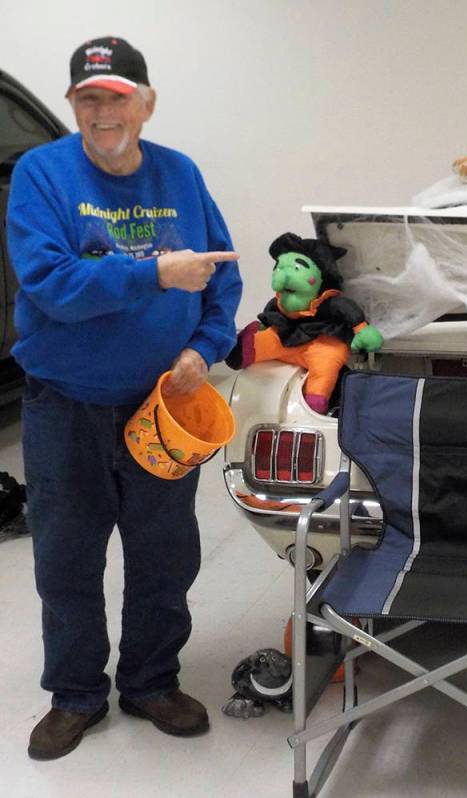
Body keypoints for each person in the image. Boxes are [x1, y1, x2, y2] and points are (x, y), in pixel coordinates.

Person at [7, 36, 243, 760]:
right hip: (65, 407)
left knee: (165, 555)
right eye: (87, 97)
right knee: (67, 559)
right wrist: (154, 276)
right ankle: (76, 693)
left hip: (160, 408)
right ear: (75, 104)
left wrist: (201, 353)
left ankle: (149, 681)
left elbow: (222, 280)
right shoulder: (41, 174)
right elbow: (50, 285)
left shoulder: (180, 173)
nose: (100, 110)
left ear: (145, 101)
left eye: (114, 96)